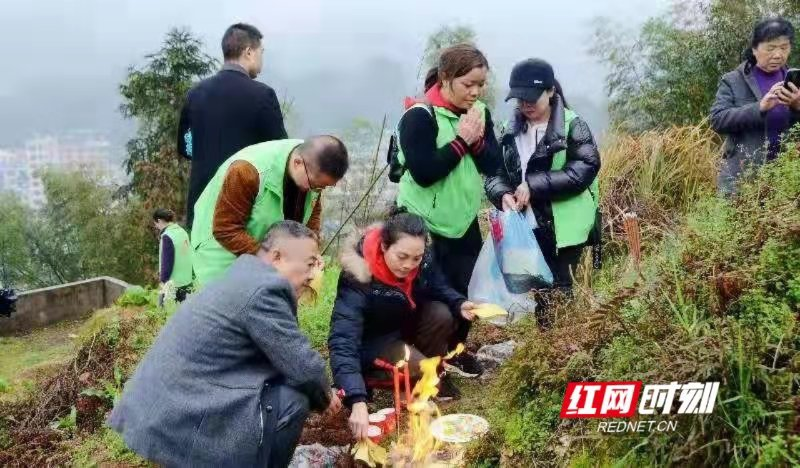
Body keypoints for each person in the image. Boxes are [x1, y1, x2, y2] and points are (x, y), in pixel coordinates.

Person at [109, 221, 341, 468]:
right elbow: (303, 367)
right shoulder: (265, 290)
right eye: (309, 264)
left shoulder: (244, 275)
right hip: (177, 418)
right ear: (277, 257)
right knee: (293, 400)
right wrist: (325, 395)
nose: (311, 275)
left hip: (158, 407)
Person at [394, 44, 501, 377]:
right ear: (445, 78)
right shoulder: (419, 116)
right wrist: (460, 142)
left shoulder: (478, 112)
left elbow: (495, 163)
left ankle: (455, 350)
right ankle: (425, 366)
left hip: (463, 220)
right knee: (427, 296)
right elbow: (424, 172)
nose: (475, 91)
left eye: (480, 84)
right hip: (422, 224)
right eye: (468, 84)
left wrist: (477, 140)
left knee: (466, 289)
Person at [328, 208, 479, 440]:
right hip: (375, 341)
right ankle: (416, 385)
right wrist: (356, 398)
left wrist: (459, 303)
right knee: (421, 367)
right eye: (402, 257)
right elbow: (343, 339)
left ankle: (418, 391)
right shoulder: (357, 276)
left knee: (441, 314)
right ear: (384, 247)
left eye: (416, 258)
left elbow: (437, 284)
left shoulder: (421, 258)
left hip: (404, 325)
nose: (409, 265)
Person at [485, 58, 600, 323]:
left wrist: (532, 186)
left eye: (532, 99)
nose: (526, 106)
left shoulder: (573, 125)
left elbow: (584, 169)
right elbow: (494, 173)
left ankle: (563, 350)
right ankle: (550, 347)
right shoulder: (510, 131)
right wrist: (502, 194)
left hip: (567, 224)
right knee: (539, 288)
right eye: (520, 100)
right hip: (527, 224)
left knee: (561, 289)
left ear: (551, 91)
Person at [190, 136, 348, 288]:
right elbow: (226, 230)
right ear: (298, 163)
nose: (316, 190)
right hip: (222, 254)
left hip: (266, 259)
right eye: (315, 185)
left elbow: (312, 213)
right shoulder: (247, 171)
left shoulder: (315, 167)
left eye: (323, 187)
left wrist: (311, 253)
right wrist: (274, 260)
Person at [178, 23, 288, 227]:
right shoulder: (262, 95)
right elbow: (281, 154)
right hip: (242, 212)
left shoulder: (195, 94)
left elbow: (186, 148)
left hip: (201, 208)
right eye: (260, 52)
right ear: (248, 52)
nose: (262, 59)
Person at [710, 18, 800, 195]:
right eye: (771, 48)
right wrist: (760, 107)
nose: (778, 55)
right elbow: (717, 120)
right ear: (754, 49)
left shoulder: (794, 80)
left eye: (784, 47)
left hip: (786, 178)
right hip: (743, 180)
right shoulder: (733, 81)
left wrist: (797, 106)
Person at [152, 208, 193, 304]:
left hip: (173, 286)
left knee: (165, 314)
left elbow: (167, 262)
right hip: (187, 282)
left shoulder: (167, 236)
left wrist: (163, 282)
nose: (156, 227)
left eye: (155, 224)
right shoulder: (182, 232)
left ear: (159, 221)